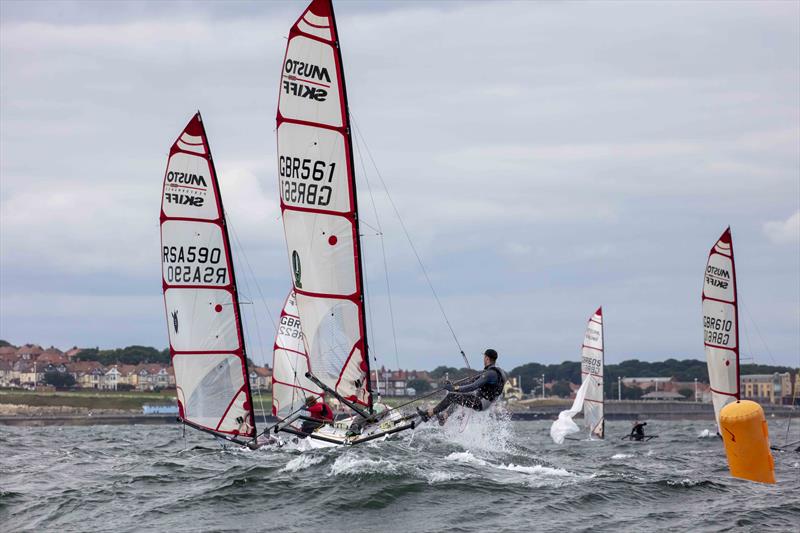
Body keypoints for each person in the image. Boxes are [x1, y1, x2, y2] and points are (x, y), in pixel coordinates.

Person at [417, 349, 507, 423]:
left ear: (487, 358)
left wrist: (454, 388)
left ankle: (428, 415)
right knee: (459, 398)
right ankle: (444, 417)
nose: (483, 359)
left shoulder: (490, 374)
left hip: (482, 403)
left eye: (484, 357)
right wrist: (453, 384)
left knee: (452, 395)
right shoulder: (497, 371)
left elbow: (473, 386)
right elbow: (470, 382)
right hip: (484, 401)